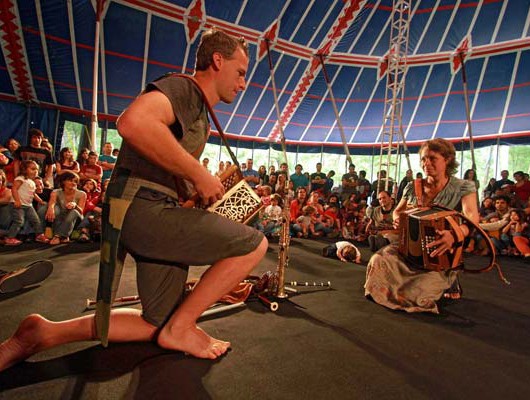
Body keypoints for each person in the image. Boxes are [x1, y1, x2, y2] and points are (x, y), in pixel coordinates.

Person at [0, 29, 267, 372]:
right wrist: (199, 175)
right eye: (241, 72)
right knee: (253, 245)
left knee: (156, 322)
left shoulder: (199, 113)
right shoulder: (184, 88)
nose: (243, 83)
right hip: (142, 207)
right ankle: (184, 327)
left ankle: (45, 333)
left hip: (154, 207)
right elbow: (133, 122)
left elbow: (160, 163)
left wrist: (193, 191)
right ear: (218, 61)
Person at [364, 138, 479, 313]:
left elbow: (472, 219)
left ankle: (449, 278)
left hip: (440, 251)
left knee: (416, 295)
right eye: (423, 159)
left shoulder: (464, 187)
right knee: (377, 260)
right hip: (410, 246)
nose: (426, 163)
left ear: (447, 159)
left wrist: (454, 235)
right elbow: (397, 210)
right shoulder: (412, 186)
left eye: (432, 158)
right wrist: (398, 218)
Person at [5, 160, 49, 246]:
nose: (35, 171)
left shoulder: (32, 181)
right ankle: (10, 238)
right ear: (24, 169)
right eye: (32, 169)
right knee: (19, 221)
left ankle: (39, 235)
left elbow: (33, 193)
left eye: (37, 169)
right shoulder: (20, 178)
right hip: (19, 204)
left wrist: (40, 200)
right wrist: (17, 200)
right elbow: (14, 189)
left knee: (35, 220)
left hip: (28, 205)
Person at [45, 171, 86, 245]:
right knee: (55, 209)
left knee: (74, 212)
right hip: (61, 216)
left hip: (75, 218)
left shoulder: (82, 194)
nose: (73, 183)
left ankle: (57, 236)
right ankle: (64, 236)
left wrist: (75, 205)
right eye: (70, 180)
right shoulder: (56, 192)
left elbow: (81, 212)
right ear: (63, 181)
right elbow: (52, 202)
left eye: (75, 181)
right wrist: (50, 208)